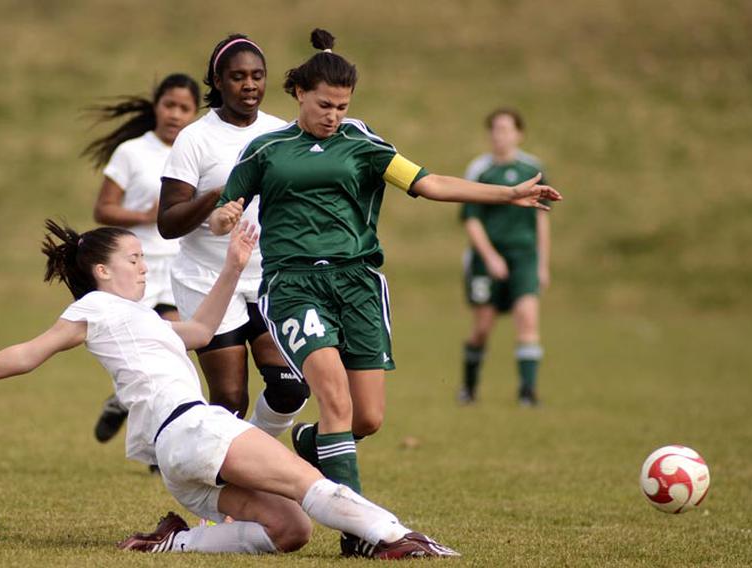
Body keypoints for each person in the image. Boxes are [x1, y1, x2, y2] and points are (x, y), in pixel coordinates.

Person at [0, 220, 459, 559]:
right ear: (102, 271)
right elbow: (29, 353)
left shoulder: (138, 318)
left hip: (179, 457)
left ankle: (174, 542)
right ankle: (398, 538)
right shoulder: (95, 307)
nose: (144, 268)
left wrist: (233, 266)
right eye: (134, 259)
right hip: (194, 429)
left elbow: (198, 332)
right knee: (309, 481)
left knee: (289, 530)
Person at [209, 28, 561, 555]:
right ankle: (360, 533)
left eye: (342, 105)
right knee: (332, 394)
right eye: (324, 104)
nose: (333, 113)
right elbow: (222, 213)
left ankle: (309, 443)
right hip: (294, 284)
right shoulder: (266, 150)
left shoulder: (364, 144)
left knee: (366, 417)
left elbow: (430, 182)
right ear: (300, 94)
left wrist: (508, 193)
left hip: (358, 285)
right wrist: (224, 216)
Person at [157, 34, 309, 439]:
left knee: (291, 387)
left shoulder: (285, 133)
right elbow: (168, 223)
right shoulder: (195, 138)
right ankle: (217, 486)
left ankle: (250, 458)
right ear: (218, 81)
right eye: (238, 76)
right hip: (208, 279)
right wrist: (215, 196)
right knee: (229, 399)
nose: (249, 85)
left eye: (257, 76)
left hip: (269, 278)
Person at [81, 73, 200, 443]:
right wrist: (146, 216)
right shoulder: (132, 152)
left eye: (185, 108)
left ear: (196, 113)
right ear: (156, 107)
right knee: (141, 356)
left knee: (172, 348)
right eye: (169, 105)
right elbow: (103, 210)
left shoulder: (196, 150)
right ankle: (124, 403)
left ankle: (153, 439)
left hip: (180, 265)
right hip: (135, 267)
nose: (175, 114)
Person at [459, 108, 551, 407]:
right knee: (482, 327)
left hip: (524, 256)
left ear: (518, 134)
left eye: (507, 129)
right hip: (487, 259)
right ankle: (469, 387)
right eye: (496, 129)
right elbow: (471, 219)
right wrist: (491, 256)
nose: (501, 135)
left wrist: (542, 263)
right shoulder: (479, 172)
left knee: (527, 319)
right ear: (490, 134)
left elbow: (541, 219)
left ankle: (527, 393)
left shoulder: (532, 169)